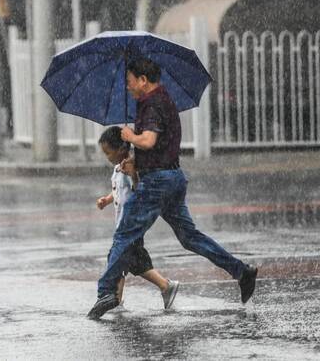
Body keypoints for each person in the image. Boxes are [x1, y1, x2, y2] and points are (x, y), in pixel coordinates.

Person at [87, 57, 258, 319]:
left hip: (158, 182)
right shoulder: (162, 100)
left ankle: (106, 291)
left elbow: (149, 140)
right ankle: (241, 271)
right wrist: (137, 163)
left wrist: (130, 137)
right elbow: (159, 147)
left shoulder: (153, 104)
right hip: (173, 178)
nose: (127, 87)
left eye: (130, 82)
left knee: (124, 235)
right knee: (190, 237)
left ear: (143, 80)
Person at [94, 126, 179, 313]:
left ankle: (115, 298)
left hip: (131, 224)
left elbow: (139, 190)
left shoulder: (132, 166)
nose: (107, 157)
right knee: (132, 262)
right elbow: (118, 191)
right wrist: (107, 200)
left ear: (122, 149)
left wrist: (133, 174)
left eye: (108, 152)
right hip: (124, 225)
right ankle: (164, 286)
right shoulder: (117, 169)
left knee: (117, 260)